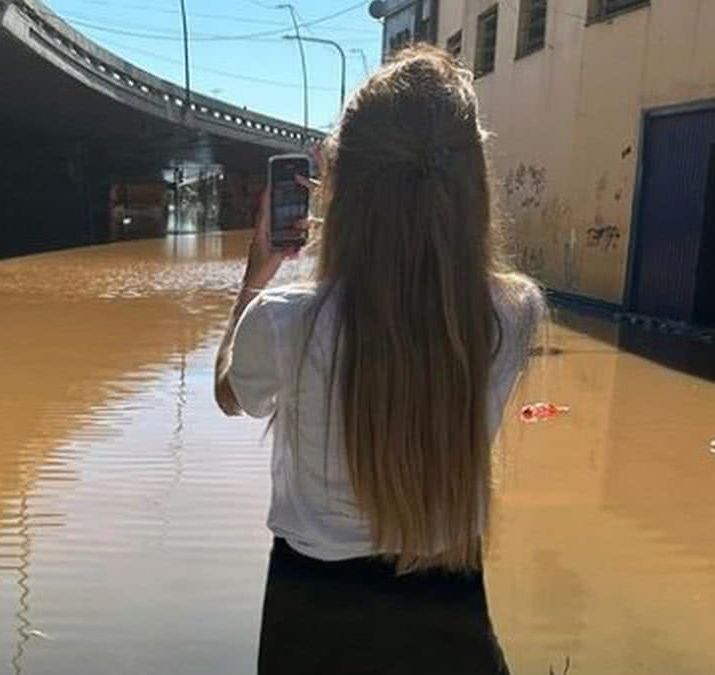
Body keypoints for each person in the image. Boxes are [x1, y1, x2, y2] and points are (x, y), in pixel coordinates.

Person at [214, 45, 544, 675]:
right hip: (450, 605)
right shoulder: (514, 313)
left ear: (339, 182)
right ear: (472, 182)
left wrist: (257, 276)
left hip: (311, 617)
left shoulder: (285, 322)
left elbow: (231, 396)